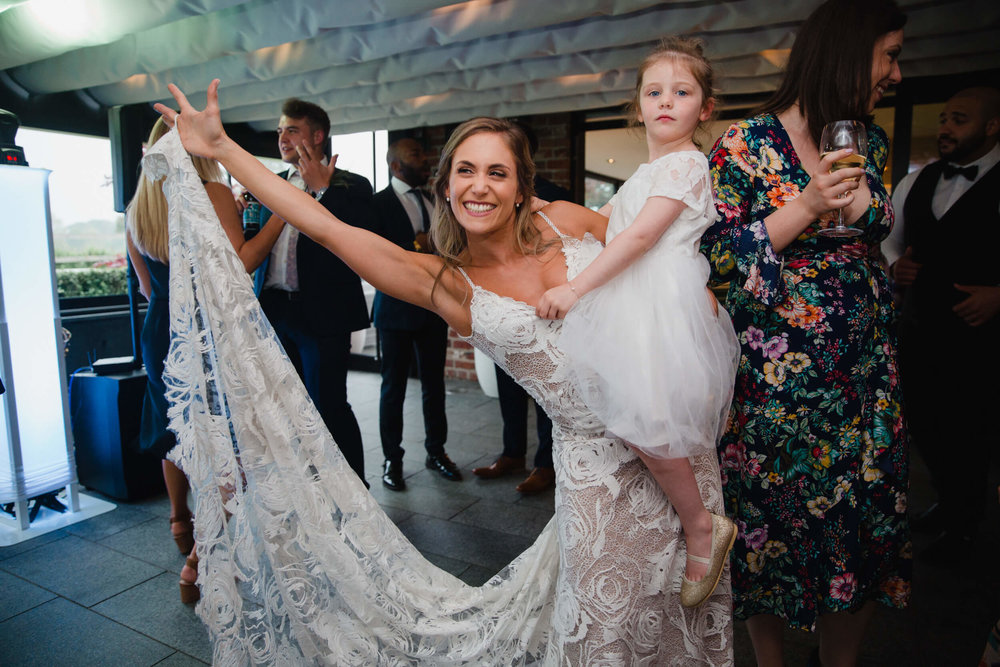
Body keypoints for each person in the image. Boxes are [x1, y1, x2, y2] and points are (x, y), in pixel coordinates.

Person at [153, 81, 733, 664]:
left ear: (519, 188)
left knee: (682, 616)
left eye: (498, 173)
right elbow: (329, 228)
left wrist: (704, 312)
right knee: (606, 632)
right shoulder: (447, 284)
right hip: (594, 474)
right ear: (447, 187)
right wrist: (225, 149)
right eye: (466, 171)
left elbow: (662, 268)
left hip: (671, 439)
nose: (480, 185)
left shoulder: (569, 222)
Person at [701, 0, 911, 663]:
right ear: (849, 52)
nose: (897, 74)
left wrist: (861, 207)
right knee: (770, 524)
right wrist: (810, 203)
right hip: (774, 390)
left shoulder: (868, 141)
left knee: (859, 522)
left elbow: (875, 222)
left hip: (864, 382)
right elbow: (715, 258)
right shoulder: (744, 144)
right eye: (891, 55)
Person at [535, 37, 739, 608]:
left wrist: (575, 288)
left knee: (649, 424)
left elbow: (643, 236)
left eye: (682, 92)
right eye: (655, 91)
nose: (666, 101)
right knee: (633, 420)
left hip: (660, 303)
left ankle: (701, 525)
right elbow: (606, 223)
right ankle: (684, 523)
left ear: (706, 107)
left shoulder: (687, 163)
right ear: (639, 103)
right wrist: (541, 210)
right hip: (636, 302)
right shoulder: (645, 173)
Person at [125, 116, 285, 603]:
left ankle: (180, 518)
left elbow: (148, 288)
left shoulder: (136, 208)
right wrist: (280, 213)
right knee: (227, 440)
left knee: (178, 431)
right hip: (206, 331)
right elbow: (243, 262)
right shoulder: (211, 194)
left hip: (159, 331)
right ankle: (199, 558)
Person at [882, 86, 1000, 565]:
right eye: (945, 117)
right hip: (920, 330)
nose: (946, 127)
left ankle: (966, 526)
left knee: (971, 432)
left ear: (992, 127)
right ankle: (949, 504)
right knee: (926, 425)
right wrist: (894, 267)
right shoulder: (917, 181)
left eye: (959, 119)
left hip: (983, 338)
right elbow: (889, 240)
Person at [246, 98, 373, 483]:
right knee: (284, 408)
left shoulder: (352, 185)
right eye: (280, 130)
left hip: (322, 313)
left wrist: (323, 192)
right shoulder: (269, 185)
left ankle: (355, 493)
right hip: (274, 310)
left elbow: (365, 239)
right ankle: (306, 490)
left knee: (328, 405)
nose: (282, 137)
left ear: (317, 136)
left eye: (292, 130)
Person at [474, 121, 562, 495]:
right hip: (500, 306)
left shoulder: (557, 197)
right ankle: (512, 453)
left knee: (546, 394)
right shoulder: (483, 196)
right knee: (507, 388)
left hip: (544, 311)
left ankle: (545, 463)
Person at [370, 137, 457, 490]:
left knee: (435, 385)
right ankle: (392, 459)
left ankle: (436, 452)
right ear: (395, 165)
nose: (425, 159)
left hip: (433, 307)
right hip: (394, 310)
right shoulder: (377, 204)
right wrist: (416, 246)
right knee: (393, 389)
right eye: (417, 154)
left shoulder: (436, 200)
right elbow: (376, 256)